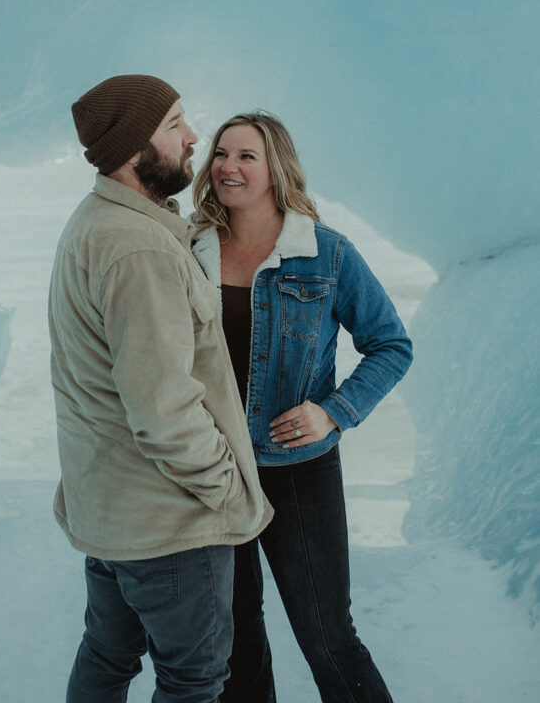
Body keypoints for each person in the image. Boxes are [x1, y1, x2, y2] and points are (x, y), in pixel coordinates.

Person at [48, 76, 273, 703]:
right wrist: (226, 487)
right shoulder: (137, 249)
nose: (194, 137)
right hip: (169, 522)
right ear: (131, 146)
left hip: (115, 510)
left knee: (107, 655)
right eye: (175, 123)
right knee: (193, 679)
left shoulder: (99, 224)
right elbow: (162, 408)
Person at [190, 111, 413, 703]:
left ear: (276, 168)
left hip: (299, 470)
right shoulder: (187, 250)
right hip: (213, 472)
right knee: (233, 642)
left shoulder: (328, 254)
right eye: (220, 153)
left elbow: (391, 345)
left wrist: (334, 411)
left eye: (246, 156)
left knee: (327, 637)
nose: (228, 167)